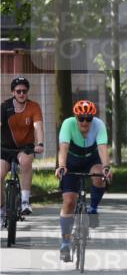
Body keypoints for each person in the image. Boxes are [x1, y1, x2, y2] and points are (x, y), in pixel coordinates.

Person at [54, 100, 112, 262]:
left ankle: (93, 208)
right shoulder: (68, 124)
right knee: (69, 202)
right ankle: (65, 243)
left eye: (88, 118)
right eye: (81, 118)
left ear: (93, 118)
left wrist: (106, 168)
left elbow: (102, 148)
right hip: (71, 162)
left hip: (91, 160)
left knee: (99, 176)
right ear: (76, 117)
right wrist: (62, 166)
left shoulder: (99, 125)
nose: (85, 122)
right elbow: (63, 147)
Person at [1, 76, 45, 222]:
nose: (21, 94)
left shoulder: (34, 107)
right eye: (18, 91)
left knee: (26, 161)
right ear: (13, 92)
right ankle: (1, 207)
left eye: (24, 91)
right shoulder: (5, 107)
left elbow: (38, 126)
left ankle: (25, 201)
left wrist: (40, 144)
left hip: (25, 147)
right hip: (5, 147)